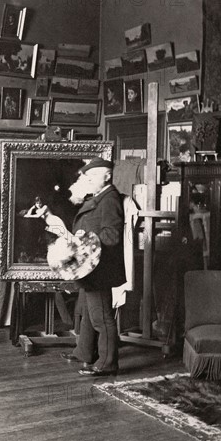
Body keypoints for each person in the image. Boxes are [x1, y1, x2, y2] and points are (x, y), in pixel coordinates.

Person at [60, 157, 125, 376]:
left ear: (106, 176)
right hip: (91, 266)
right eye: (86, 177)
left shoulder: (110, 199)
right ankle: (84, 353)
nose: (86, 180)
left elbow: (112, 235)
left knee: (101, 317)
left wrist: (85, 238)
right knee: (88, 312)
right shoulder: (99, 196)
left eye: (91, 176)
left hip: (101, 267)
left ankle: (108, 363)